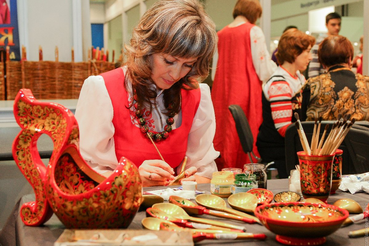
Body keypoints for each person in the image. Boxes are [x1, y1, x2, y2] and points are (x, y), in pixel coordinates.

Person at [75, 0, 219, 187]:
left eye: (187, 65)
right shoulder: (103, 89)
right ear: (147, 49)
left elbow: (204, 169)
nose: (176, 75)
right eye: (169, 61)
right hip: (119, 212)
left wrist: (194, 179)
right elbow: (85, 171)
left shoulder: (196, 95)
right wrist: (131, 178)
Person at [211, 0, 276, 171]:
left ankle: (224, 170)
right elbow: (264, 70)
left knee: (225, 130)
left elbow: (213, 72)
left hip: (222, 91)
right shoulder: (253, 31)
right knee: (244, 130)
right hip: (245, 89)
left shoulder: (221, 33)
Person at [256, 29, 315, 178]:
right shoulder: (280, 83)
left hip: (288, 144)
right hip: (278, 148)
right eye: (307, 52)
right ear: (294, 53)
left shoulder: (297, 77)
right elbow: (284, 129)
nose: (310, 56)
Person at [300, 35, 369, 121]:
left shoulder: (312, 86)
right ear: (349, 59)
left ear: (323, 64)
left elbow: (300, 125)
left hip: (321, 134)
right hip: (361, 135)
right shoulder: (367, 84)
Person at [308, 12, 341, 79]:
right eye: (333, 25)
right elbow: (313, 68)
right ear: (326, 25)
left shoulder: (340, 42)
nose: (337, 27)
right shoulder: (321, 42)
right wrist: (316, 85)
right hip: (324, 82)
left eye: (339, 24)